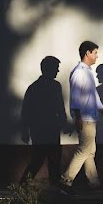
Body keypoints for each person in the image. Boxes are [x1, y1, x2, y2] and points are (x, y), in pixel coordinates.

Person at [58, 40, 103, 195]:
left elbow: (93, 95)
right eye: (95, 52)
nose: (97, 56)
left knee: (90, 152)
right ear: (87, 53)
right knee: (84, 150)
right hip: (85, 117)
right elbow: (75, 96)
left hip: (91, 117)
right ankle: (65, 181)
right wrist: (77, 116)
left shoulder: (87, 72)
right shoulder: (79, 72)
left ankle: (94, 183)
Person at [19, 56, 69, 186]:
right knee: (49, 160)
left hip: (41, 130)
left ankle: (24, 184)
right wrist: (64, 124)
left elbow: (26, 111)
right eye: (56, 68)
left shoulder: (34, 87)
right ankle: (26, 184)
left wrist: (25, 131)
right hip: (48, 129)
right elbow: (60, 108)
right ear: (48, 69)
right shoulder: (53, 86)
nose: (57, 71)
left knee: (43, 160)